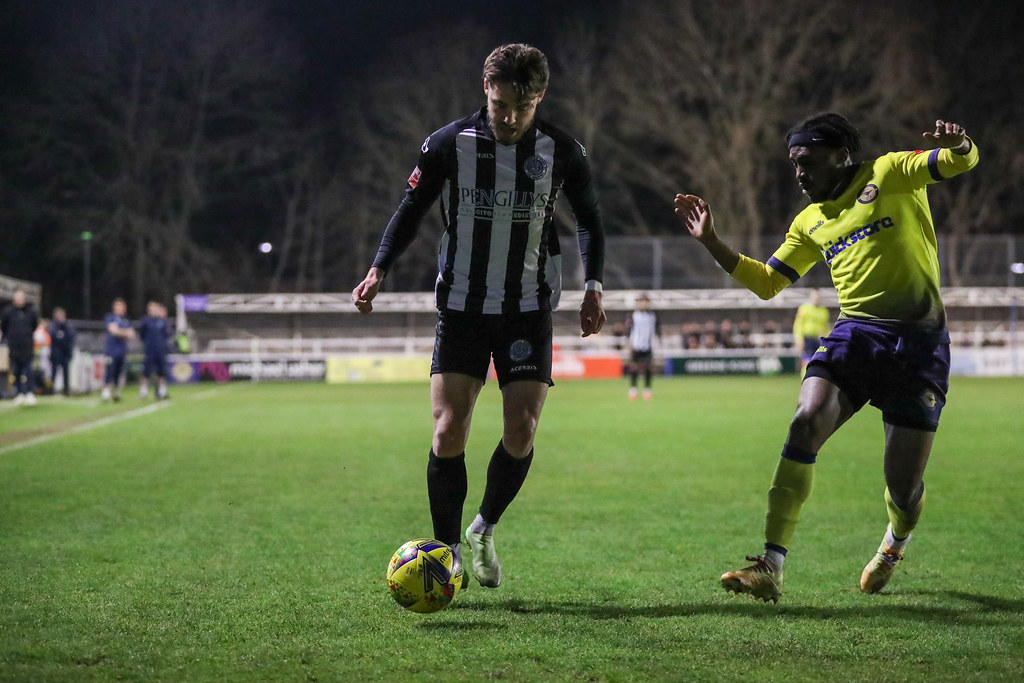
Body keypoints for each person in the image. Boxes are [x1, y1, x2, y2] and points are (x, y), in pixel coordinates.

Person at [674, 115, 979, 602]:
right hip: (856, 334)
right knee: (805, 419)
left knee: (903, 485)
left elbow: (961, 161)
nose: (799, 174)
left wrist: (960, 142)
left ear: (841, 155)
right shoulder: (809, 222)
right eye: (794, 164)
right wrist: (712, 241)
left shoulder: (891, 172)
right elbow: (768, 283)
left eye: (807, 162)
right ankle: (770, 565)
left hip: (918, 346)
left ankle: (895, 541)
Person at [351, 43, 606, 589]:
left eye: (520, 106)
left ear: (539, 97)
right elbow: (411, 210)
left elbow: (590, 219)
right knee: (448, 429)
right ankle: (444, 553)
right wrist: (379, 269)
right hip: (462, 306)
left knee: (523, 428)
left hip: (527, 309)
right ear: (485, 94)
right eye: (498, 106)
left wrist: (593, 287)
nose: (508, 118)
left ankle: (484, 527)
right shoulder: (447, 145)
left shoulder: (562, 150)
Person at [0, 289, 39, 405]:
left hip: (27, 346)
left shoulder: (30, 312)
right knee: (16, 371)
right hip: (14, 347)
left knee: (28, 370)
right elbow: (4, 326)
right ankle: (19, 393)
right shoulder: (8, 312)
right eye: (18, 297)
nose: (20, 300)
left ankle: (29, 393)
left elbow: (34, 325)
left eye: (21, 297)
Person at [625, 293, 659, 400]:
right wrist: (629, 345)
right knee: (634, 368)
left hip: (648, 346)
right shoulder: (633, 315)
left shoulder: (653, 316)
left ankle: (647, 390)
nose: (644, 303)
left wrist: (657, 344)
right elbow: (629, 331)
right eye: (642, 301)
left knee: (648, 368)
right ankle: (633, 390)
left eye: (646, 301)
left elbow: (655, 331)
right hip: (636, 346)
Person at [102, 297, 135, 402]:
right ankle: (105, 393)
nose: (121, 308)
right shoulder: (110, 318)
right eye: (119, 306)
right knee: (109, 371)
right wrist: (125, 333)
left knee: (118, 372)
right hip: (111, 350)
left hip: (122, 350)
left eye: (122, 306)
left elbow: (132, 334)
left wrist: (121, 332)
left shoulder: (126, 320)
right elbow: (114, 331)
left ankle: (115, 393)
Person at [138, 301, 171, 400]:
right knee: (146, 371)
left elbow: (168, 334)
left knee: (162, 372)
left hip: (161, 350)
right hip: (150, 350)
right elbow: (142, 335)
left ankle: (162, 391)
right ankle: (143, 391)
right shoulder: (146, 321)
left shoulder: (162, 321)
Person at [792, 289, 830, 376]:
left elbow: (826, 327)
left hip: (819, 339)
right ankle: (805, 382)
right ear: (811, 297)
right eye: (815, 296)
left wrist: (828, 339)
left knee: (819, 362)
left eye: (818, 297)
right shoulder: (804, 308)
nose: (817, 298)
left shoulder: (824, 310)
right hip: (807, 339)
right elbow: (798, 325)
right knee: (806, 362)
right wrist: (799, 340)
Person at [48, 307, 76, 396]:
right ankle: (50, 390)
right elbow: (54, 337)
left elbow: (70, 338)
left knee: (66, 372)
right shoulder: (53, 326)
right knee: (54, 372)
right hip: (56, 353)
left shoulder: (68, 326)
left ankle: (66, 390)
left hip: (65, 353)